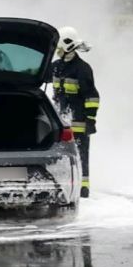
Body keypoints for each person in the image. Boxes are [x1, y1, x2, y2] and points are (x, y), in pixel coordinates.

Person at [51, 26, 100, 198]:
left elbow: (92, 97)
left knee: (80, 153)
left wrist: (90, 121)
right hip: (61, 122)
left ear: (67, 46)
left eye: (58, 48)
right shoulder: (56, 67)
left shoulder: (82, 69)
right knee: (61, 155)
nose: (57, 52)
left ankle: (83, 186)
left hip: (79, 122)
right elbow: (39, 76)